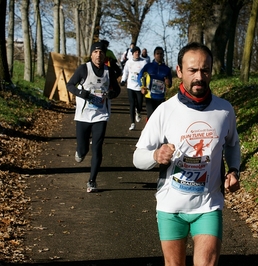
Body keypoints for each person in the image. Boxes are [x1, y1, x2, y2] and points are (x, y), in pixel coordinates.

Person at [133, 42, 241, 266]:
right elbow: (137, 158)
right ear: (179, 71)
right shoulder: (165, 111)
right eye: (192, 70)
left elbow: (232, 144)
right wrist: (156, 156)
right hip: (171, 207)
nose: (199, 76)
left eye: (205, 70)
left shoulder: (224, 110)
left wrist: (234, 170)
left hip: (208, 206)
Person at [66, 41, 121, 193]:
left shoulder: (108, 72)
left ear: (104, 55)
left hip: (100, 116)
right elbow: (70, 85)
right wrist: (81, 93)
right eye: (96, 52)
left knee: (97, 148)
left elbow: (117, 90)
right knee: (83, 150)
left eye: (101, 52)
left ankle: (92, 180)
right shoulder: (84, 69)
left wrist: (111, 94)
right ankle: (80, 151)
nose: (98, 55)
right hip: (83, 116)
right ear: (91, 54)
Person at [137, 46, 172, 120]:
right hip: (150, 96)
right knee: (151, 118)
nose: (159, 55)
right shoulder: (148, 66)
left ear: (163, 55)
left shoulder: (166, 69)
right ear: (154, 55)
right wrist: (142, 87)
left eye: (161, 54)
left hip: (161, 97)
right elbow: (140, 76)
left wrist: (168, 83)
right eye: (157, 53)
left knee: (160, 118)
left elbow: (170, 85)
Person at [120, 46, 147, 130]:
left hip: (139, 86)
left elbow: (147, 73)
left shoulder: (143, 62)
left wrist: (145, 84)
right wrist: (123, 80)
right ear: (132, 54)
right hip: (130, 86)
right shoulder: (129, 62)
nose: (137, 54)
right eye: (135, 52)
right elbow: (125, 72)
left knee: (139, 103)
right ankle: (132, 123)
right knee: (132, 104)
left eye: (138, 52)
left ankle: (138, 112)